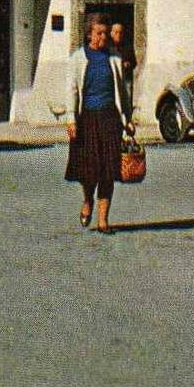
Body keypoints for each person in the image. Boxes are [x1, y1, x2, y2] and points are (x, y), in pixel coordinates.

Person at [64, 15, 133, 233]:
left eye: (106, 32)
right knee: (89, 170)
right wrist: (70, 119)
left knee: (108, 170)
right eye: (99, 33)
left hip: (110, 118)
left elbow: (122, 91)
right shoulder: (77, 58)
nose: (104, 37)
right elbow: (72, 90)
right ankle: (87, 200)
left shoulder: (113, 57)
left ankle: (103, 220)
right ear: (89, 35)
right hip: (88, 119)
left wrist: (128, 119)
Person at [108, 21, 138, 117]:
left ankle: (127, 119)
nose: (118, 35)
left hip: (126, 79)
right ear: (111, 33)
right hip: (112, 80)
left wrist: (129, 64)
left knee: (127, 100)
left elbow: (134, 62)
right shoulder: (107, 47)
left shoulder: (128, 47)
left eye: (120, 32)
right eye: (116, 32)